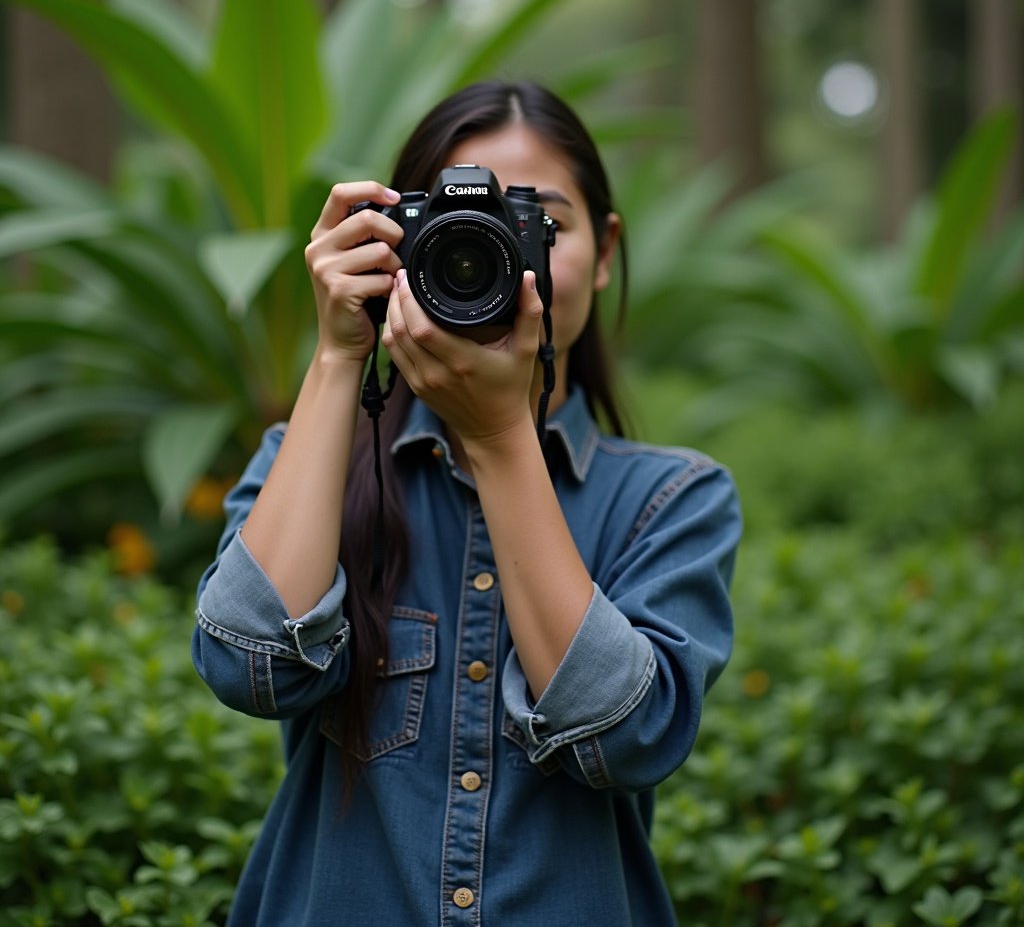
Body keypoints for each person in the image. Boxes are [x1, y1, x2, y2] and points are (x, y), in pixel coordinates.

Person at [192, 80, 740, 925]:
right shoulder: (315, 466)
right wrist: (339, 358)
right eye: (454, 234)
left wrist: (497, 440)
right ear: (393, 243)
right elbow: (249, 664)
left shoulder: (671, 499)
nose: (503, 259)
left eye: (540, 224)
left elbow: (626, 738)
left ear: (604, 251)